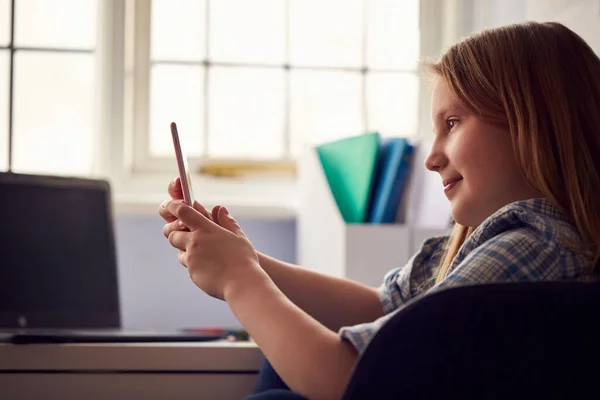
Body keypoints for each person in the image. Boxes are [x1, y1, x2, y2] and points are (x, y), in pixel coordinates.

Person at [158, 21, 600, 400]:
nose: (431, 157)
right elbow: (375, 306)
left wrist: (238, 278)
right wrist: (242, 256)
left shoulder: (534, 247)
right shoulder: (492, 245)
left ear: (532, 122)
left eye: (452, 123)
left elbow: (345, 377)